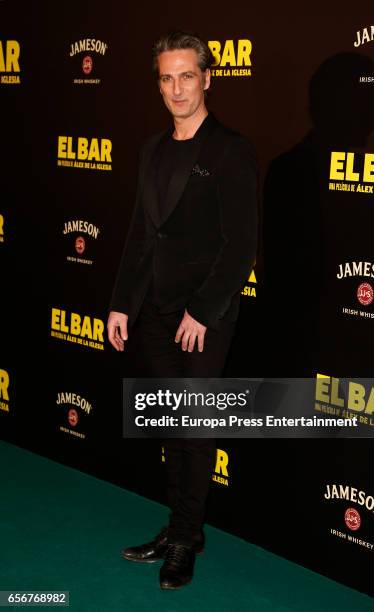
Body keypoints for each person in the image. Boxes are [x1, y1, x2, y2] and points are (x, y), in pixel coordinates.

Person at [107, 30, 257, 590]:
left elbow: (240, 245)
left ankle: (188, 539)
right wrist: (123, 304)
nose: (177, 88)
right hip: (155, 314)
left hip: (204, 318)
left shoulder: (231, 149)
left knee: (195, 432)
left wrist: (203, 309)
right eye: (167, 78)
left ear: (207, 78)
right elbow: (141, 235)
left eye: (186, 76)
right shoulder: (152, 149)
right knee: (173, 427)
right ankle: (176, 528)